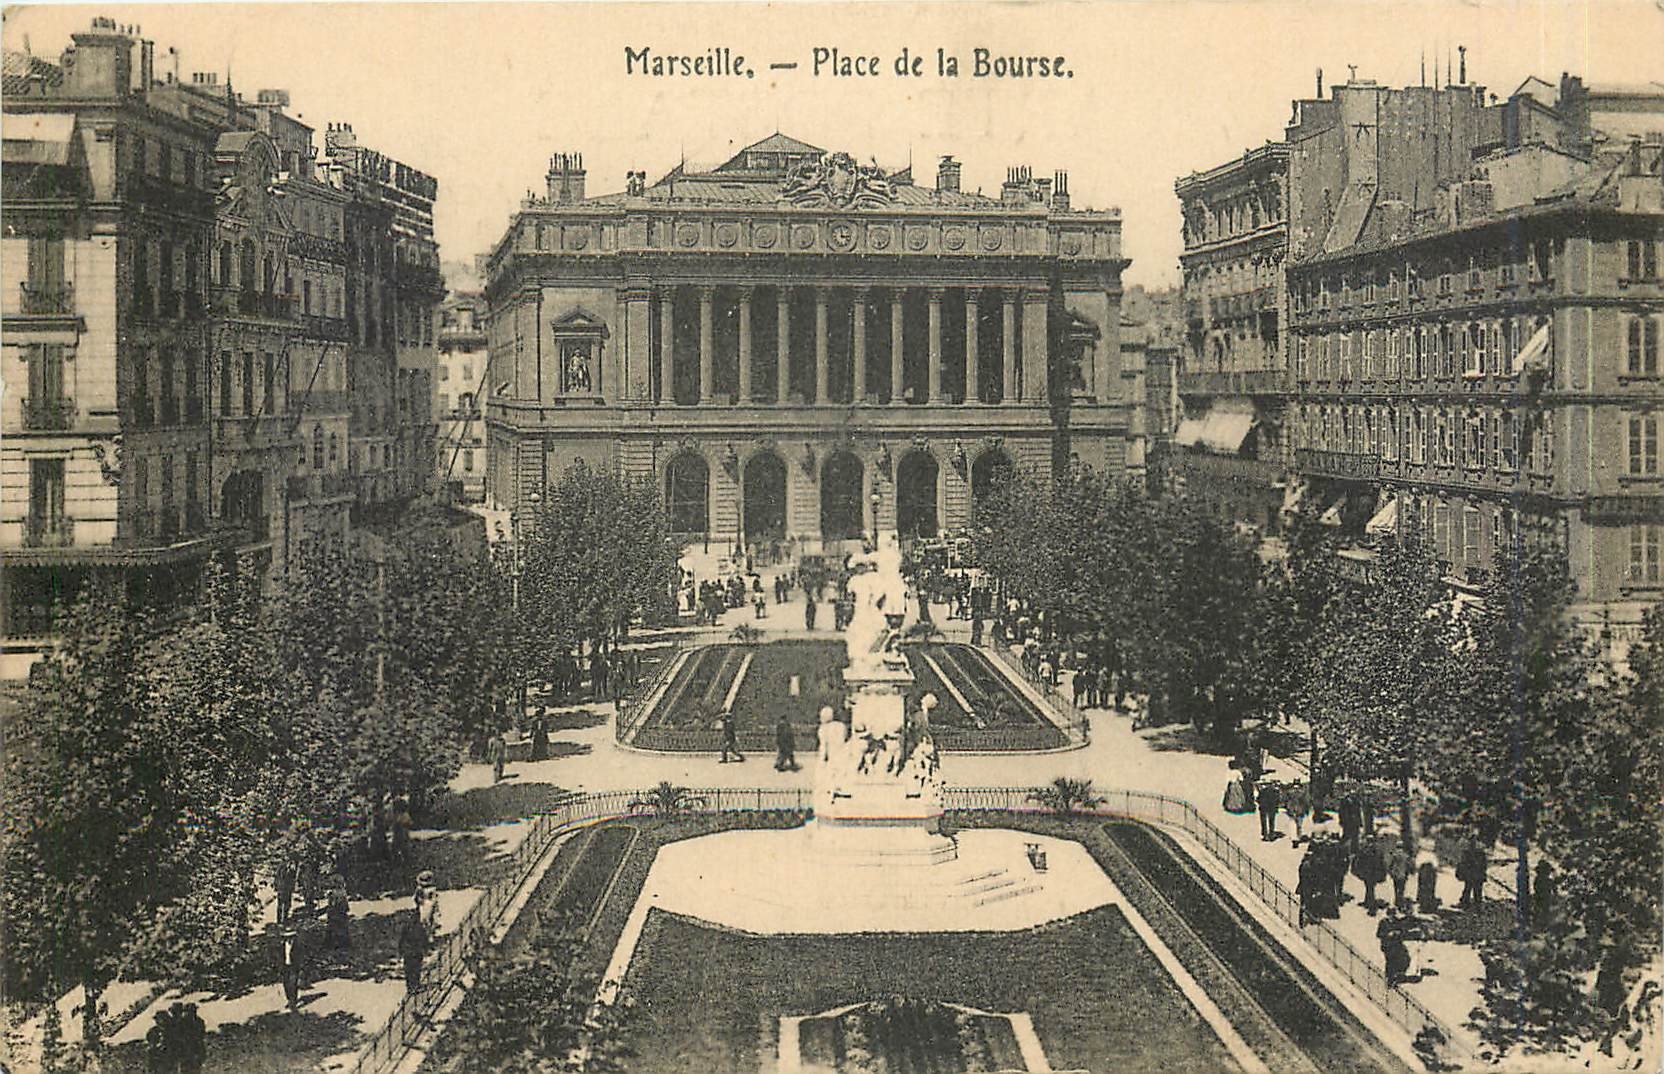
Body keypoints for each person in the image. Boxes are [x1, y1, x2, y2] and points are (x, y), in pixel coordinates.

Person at [1353, 834, 1388, 915]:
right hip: (1373, 872)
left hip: (1369, 872)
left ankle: (1370, 903)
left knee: (1370, 887)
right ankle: (1368, 901)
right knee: (1369, 887)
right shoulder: (1377, 849)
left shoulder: (1368, 849)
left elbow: (1362, 859)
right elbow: (1381, 862)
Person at [1379, 910, 1412, 985]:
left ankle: (1397, 976)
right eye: (1390, 915)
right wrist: (1388, 934)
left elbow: (1402, 931)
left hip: (1396, 945)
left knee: (1402, 959)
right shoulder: (1383, 922)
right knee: (1390, 962)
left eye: (1393, 915)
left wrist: (1398, 932)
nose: (1392, 917)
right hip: (1387, 946)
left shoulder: (1397, 922)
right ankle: (1389, 978)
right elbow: (1379, 934)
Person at [398, 910, 426, 994]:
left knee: (410, 970)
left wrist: (401, 951)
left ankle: (411, 987)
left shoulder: (407, 928)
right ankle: (415, 986)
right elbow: (424, 939)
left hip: (409, 953)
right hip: (415, 953)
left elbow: (402, 941)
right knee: (415, 970)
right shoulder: (418, 928)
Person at [1457, 835, 1487, 910]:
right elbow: (1484, 865)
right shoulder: (1480, 852)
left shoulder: (1467, 852)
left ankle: (1468, 903)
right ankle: (1475, 905)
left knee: (1470, 889)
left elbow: (1462, 863)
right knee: (1474, 890)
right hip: (1476, 875)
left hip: (1472, 875)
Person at [279, 926, 302, 1010]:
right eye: (286, 937)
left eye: (290, 936)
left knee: (293, 983)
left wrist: (300, 966)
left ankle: (293, 1002)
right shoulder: (282, 944)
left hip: (294, 966)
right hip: (285, 966)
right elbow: (280, 956)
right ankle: (289, 1000)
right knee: (286, 984)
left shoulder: (298, 944)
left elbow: (301, 956)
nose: (288, 938)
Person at [1385, 839, 1412, 911]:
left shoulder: (1394, 855)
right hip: (1403, 875)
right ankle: (1400, 902)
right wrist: (1408, 873)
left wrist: (1390, 872)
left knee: (1396, 888)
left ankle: (1397, 901)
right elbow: (1408, 866)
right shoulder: (1406, 856)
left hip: (1396, 875)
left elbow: (1390, 865)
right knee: (1402, 889)